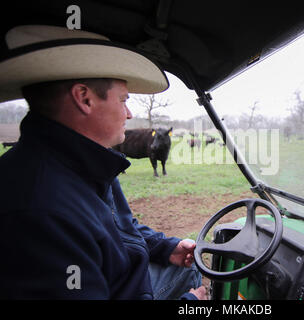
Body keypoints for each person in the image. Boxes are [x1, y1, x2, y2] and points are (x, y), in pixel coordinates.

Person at [0, 25, 207, 299]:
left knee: (186, 269)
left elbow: (117, 229)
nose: (130, 113)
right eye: (123, 100)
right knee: (193, 279)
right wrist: (190, 303)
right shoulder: (39, 210)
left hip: (122, 279)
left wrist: (164, 247)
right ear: (85, 98)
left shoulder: (84, 163)